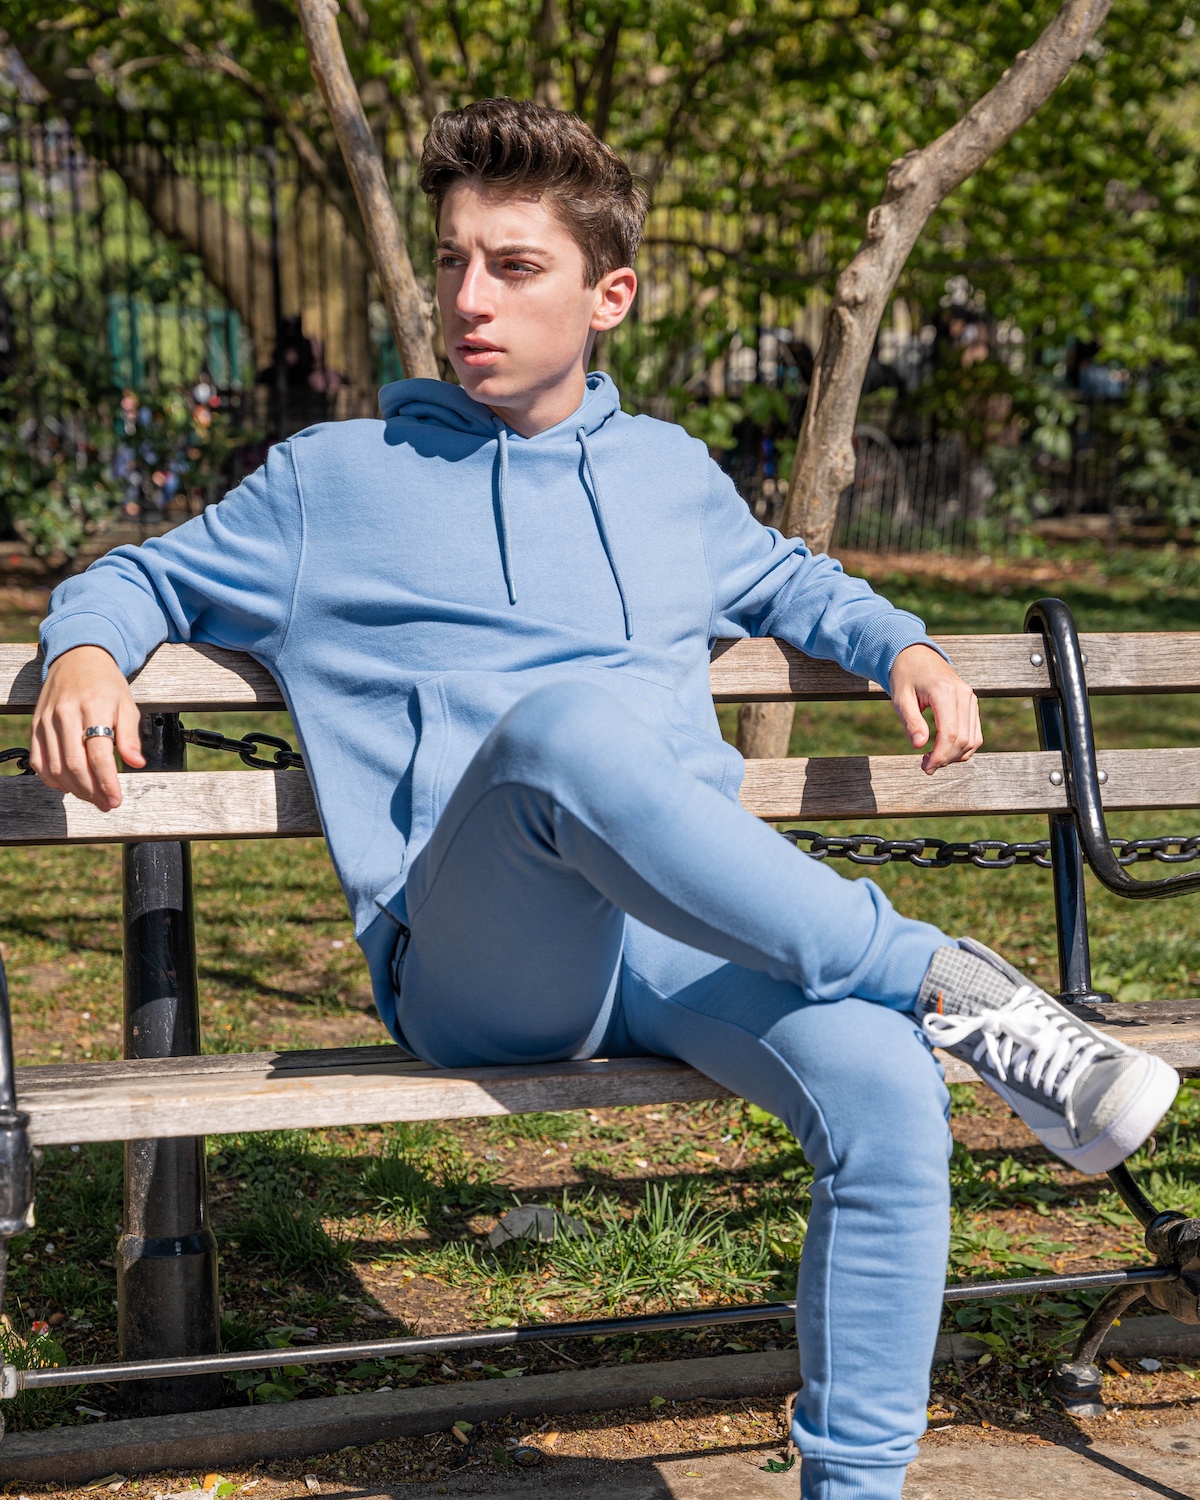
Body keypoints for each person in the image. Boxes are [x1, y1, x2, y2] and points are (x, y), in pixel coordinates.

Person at [29, 99, 1176, 1499]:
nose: (466, 299)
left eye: (513, 266)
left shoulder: (669, 476)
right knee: (563, 725)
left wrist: (904, 642)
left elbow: (788, 580)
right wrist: (86, 647)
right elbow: (139, 573)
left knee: (884, 1089)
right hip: (479, 961)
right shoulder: (329, 485)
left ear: (609, 293)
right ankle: (944, 978)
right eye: (453, 262)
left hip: (688, 944)